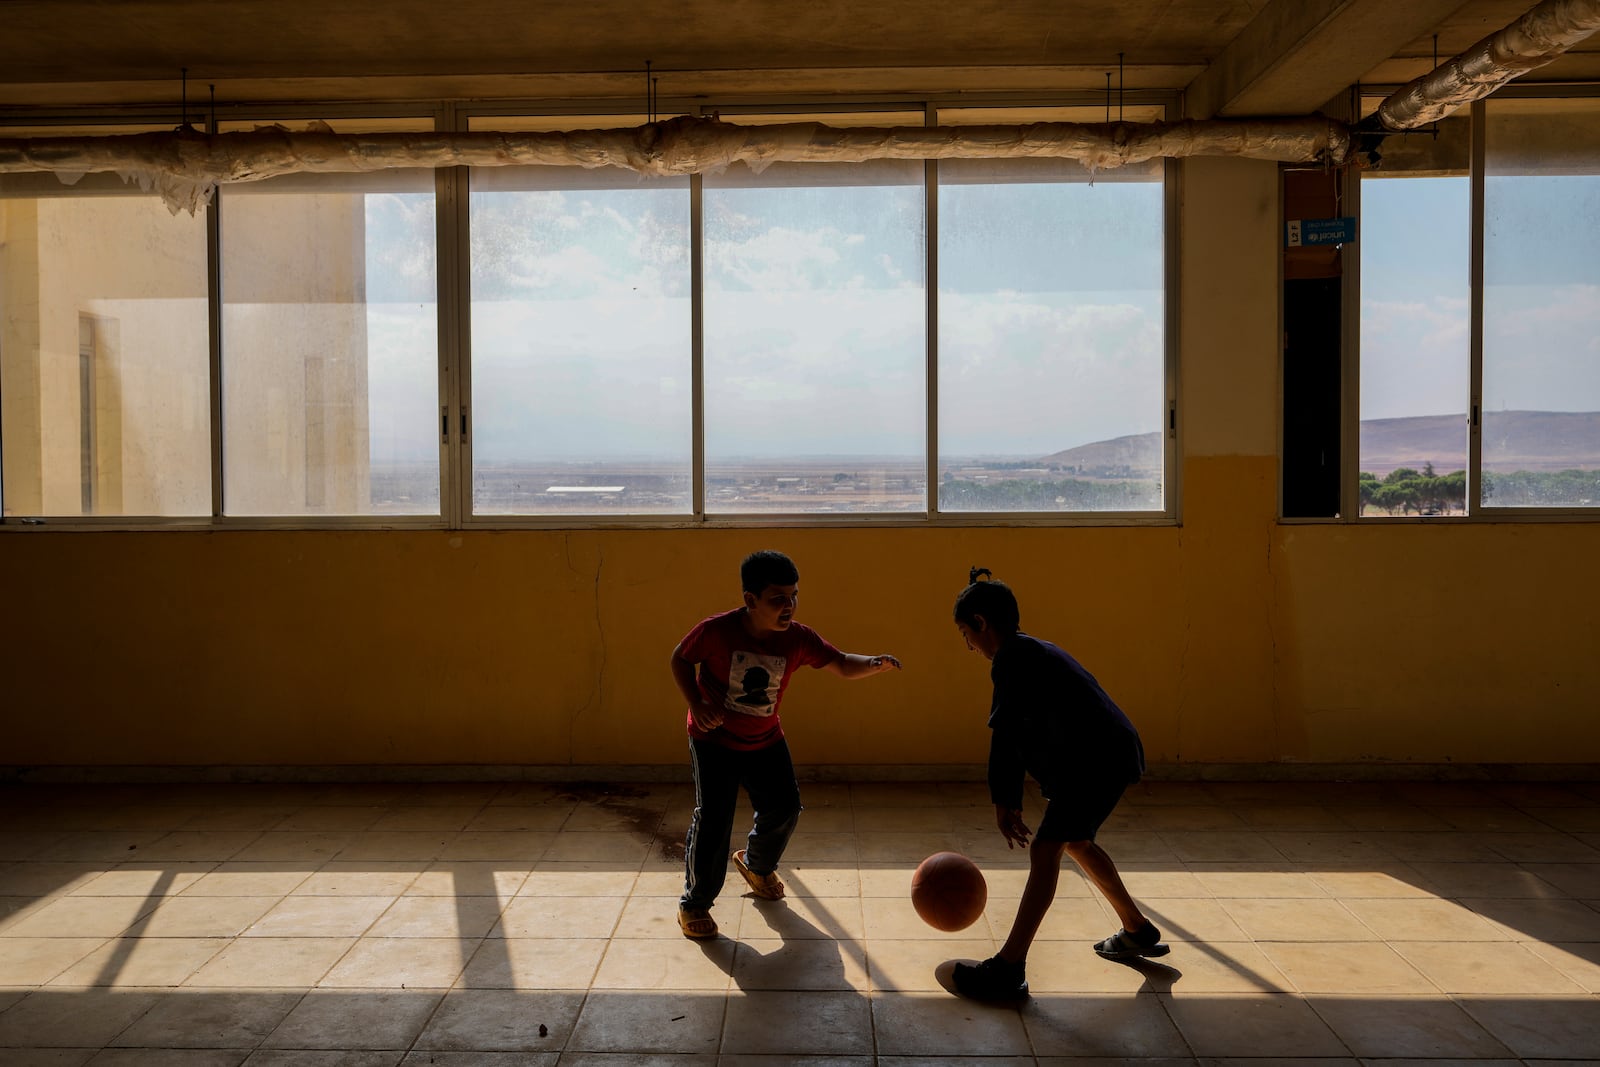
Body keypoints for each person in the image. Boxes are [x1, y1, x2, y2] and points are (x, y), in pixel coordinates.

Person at [950, 567, 1167, 1000]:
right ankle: (1137, 930)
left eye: (964, 633)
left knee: (1048, 848)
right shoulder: (1030, 651)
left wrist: (1005, 801)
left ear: (980, 623)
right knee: (1077, 842)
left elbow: (1006, 734)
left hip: (1099, 762)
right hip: (1107, 756)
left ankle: (1009, 968)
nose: (968, 646)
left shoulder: (1012, 659)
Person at [670, 549, 902, 939]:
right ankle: (694, 904)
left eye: (794, 596)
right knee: (714, 820)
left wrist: (874, 663)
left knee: (784, 808)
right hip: (713, 739)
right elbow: (680, 659)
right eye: (778, 598)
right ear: (750, 600)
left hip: (765, 738)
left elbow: (842, 662)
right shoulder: (717, 631)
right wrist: (697, 702)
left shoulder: (798, 639)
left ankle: (757, 866)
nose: (789, 606)